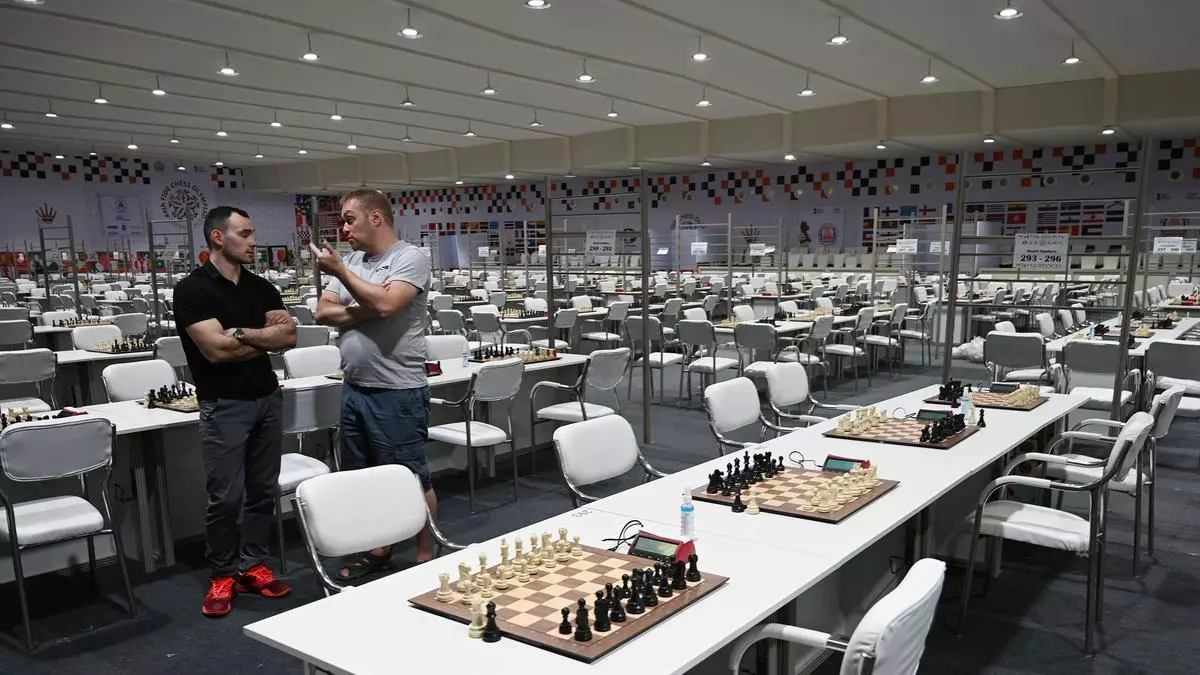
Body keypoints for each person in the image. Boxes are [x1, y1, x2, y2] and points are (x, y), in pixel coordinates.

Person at [173, 206, 297, 617]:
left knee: (263, 491)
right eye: (245, 233)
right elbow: (216, 350)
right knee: (225, 498)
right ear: (217, 238)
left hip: (267, 398)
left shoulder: (261, 287)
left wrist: (240, 334)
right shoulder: (192, 290)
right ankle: (223, 572)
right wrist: (263, 339)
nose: (253, 240)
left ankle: (254, 564)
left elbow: (290, 336)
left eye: (252, 232)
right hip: (223, 404)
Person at [311, 189, 434, 579]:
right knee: (364, 475)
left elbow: (388, 305)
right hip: (355, 387)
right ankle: (379, 548)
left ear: (376, 218)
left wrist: (346, 280)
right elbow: (321, 312)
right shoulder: (352, 261)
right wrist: (368, 306)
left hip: (397, 389)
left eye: (350, 219)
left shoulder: (409, 258)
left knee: (410, 475)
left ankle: (428, 552)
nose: (343, 228)